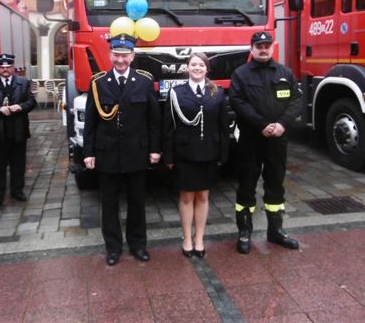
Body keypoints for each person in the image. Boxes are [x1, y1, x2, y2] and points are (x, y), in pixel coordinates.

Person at [83, 34, 161, 266]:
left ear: (132, 56)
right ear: (110, 55)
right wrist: (88, 152)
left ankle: (138, 245)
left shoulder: (144, 81)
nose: (120, 60)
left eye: (125, 55)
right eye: (116, 55)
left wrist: (155, 149)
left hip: (136, 152)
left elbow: (154, 120)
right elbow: (91, 122)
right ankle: (113, 247)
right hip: (106, 153)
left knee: (137, 202)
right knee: (109, 204)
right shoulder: (98, 83)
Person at [229, 31, 302, 254]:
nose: (263, 50)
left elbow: (297, 100)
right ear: (251, 48)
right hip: (250, 139)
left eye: (266, 46)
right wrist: (261, 124)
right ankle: (244, 231)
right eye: (259, 46)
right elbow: (237, 102)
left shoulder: (284, 73)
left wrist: (282, 124)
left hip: (277, 139)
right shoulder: (241, 74)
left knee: (275, 184)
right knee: (246, 185)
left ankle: (276, 231)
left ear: (272, 47)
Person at [163, 52, 228, 258]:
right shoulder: (176, 92)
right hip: (184, 153)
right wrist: (168, 156)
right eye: (193, 64)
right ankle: (187, 239)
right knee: (186, 196)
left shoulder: (218, 92)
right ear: (187, 68)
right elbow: (168, 127)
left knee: (203, 196)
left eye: (201, 65)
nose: (197, 68)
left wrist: (223, 154)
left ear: (206, 69)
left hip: (209, 152)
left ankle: (199, 238)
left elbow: (223, 126)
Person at [0, 53, 37, 207]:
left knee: (19, 164)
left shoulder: (23, 83)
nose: (5, 69)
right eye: (2, 67)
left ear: (13, 67)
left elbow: (31, 102)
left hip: (18, 130)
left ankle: (17, 191)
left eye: (8, 67)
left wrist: (20, 107)